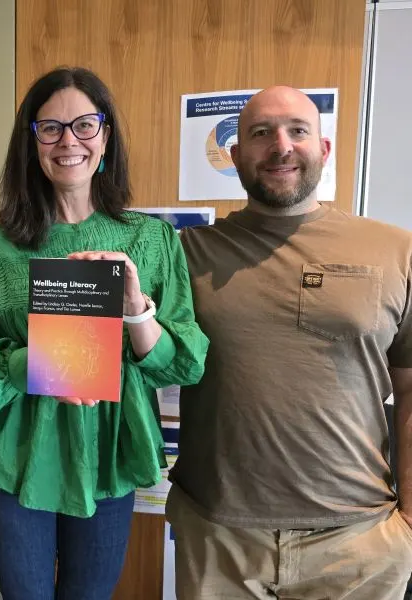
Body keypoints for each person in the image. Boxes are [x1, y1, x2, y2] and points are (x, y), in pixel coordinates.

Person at [0, 66, 209, 600]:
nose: (67, 140)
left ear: (106, 135)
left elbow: (183, 363)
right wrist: (44, 359)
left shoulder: (151, 239)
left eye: (84, 125)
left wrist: (136, 309)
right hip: (18, 456)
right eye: (49, 128)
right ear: (32, 143)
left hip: (106, 457)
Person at [170, 85, 412, 599]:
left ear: (323, 149)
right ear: (234, 156)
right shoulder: (183, 254)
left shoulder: (396, 250)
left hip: (358, 544)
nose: (280, 146)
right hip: (220, 541)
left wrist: (409, 524)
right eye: (260, 133)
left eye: (298, 130)